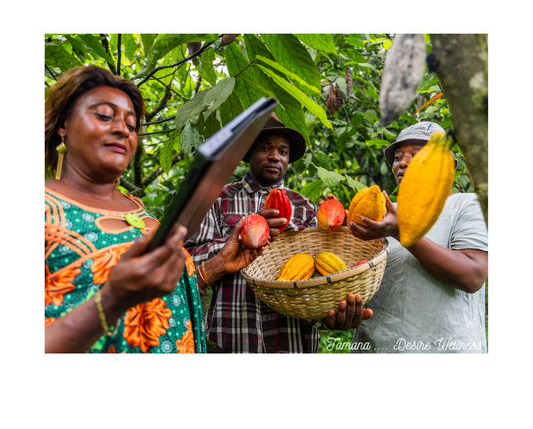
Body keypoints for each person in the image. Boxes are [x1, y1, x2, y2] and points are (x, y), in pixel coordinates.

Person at [45, 65, 206, 353]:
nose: (122, 129)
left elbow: (166, 299)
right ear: (63, 125)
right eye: (104, 116)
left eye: (132, 126)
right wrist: (112, 300)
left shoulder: (139, 210)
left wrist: (218, 268)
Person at [185, 113, 371, 353]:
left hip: (292, 339)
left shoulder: (304, 207)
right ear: (249, 152)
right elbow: (188, 262)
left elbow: (320, 270)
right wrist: (242, 238)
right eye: (264, 148)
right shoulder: (218, 199)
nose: (275, 156)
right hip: (232, 336)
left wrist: (328, 315)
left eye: (282, 151)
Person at [348, 121, 488, 353]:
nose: (402, 162)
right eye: (398, 157)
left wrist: (401, 232)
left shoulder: (467, 205)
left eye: (416, 155)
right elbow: (354, 277)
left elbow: (473, 275)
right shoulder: (381, 212)